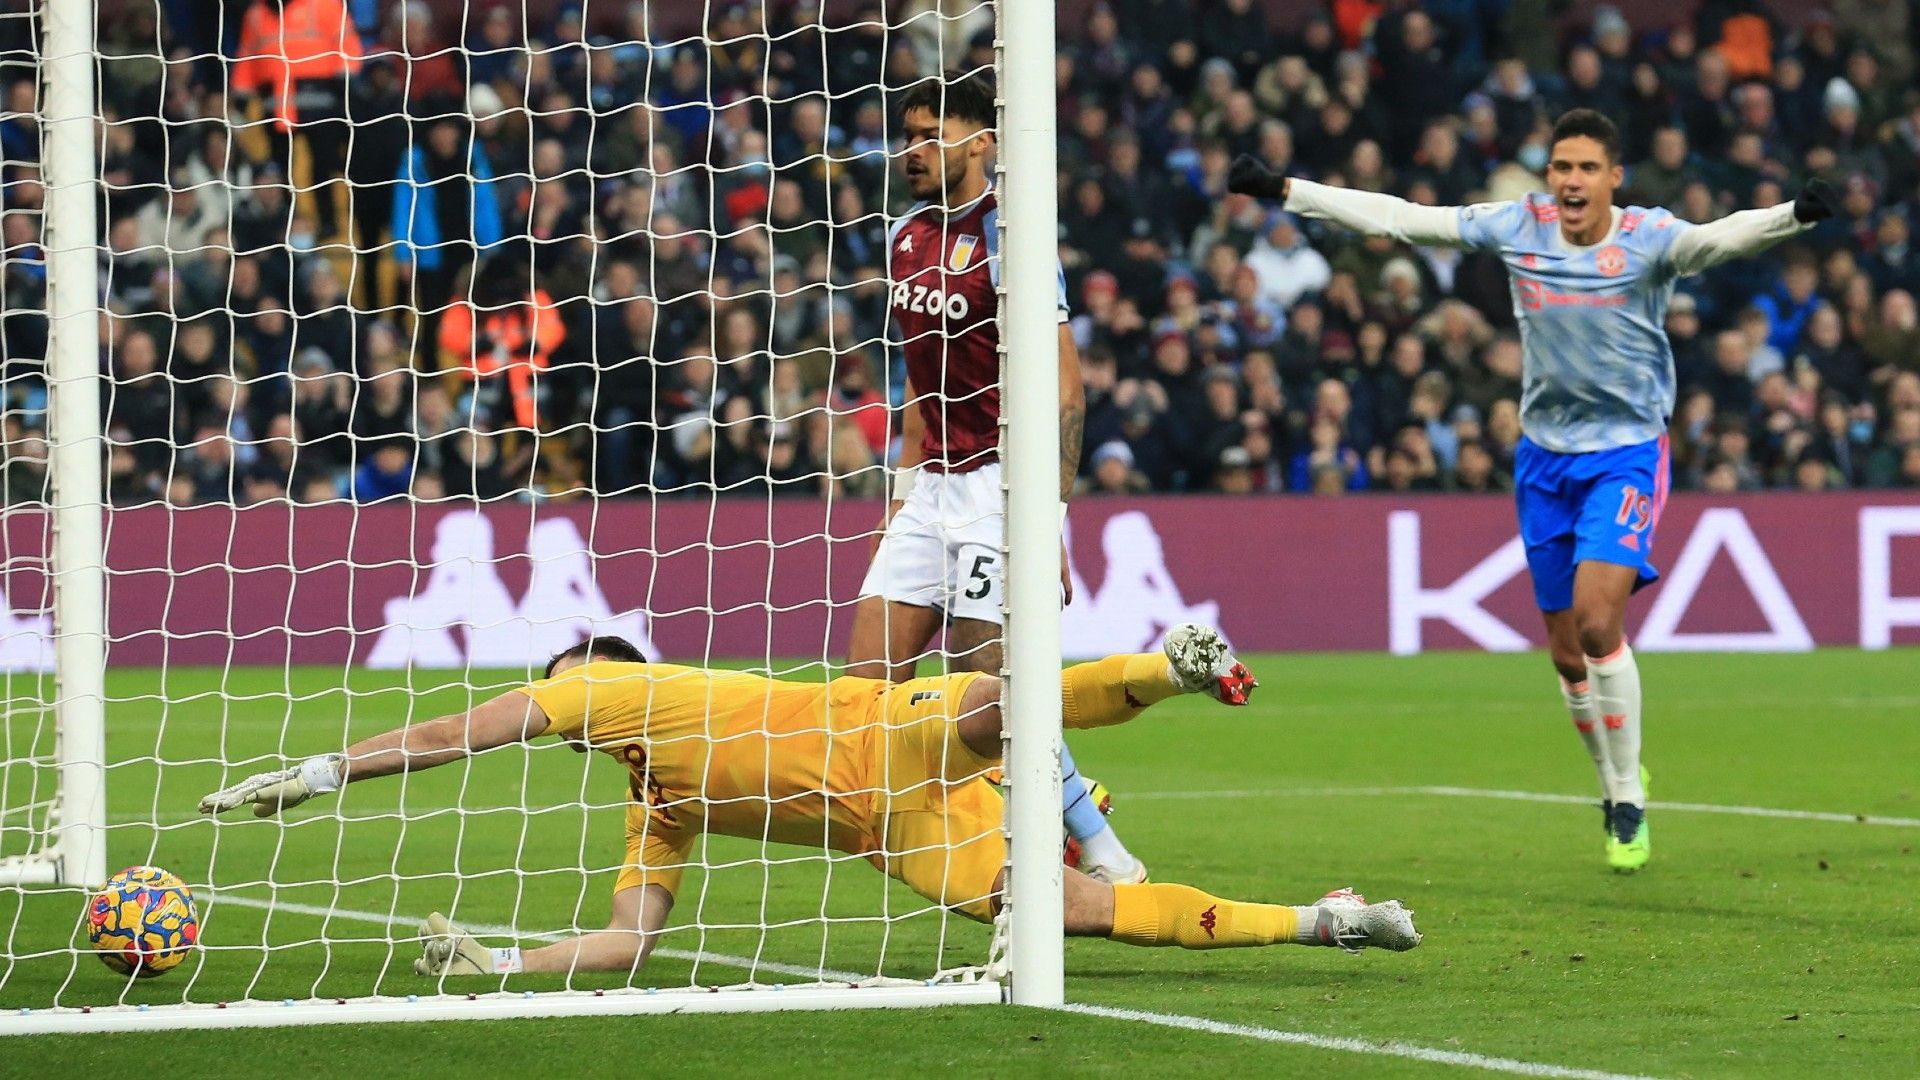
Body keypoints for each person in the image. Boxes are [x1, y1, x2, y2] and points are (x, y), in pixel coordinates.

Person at [1228, 109, 1836, 873]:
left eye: (1585, 168)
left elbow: (1718, 238)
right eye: (1560, 167)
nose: (1570, 181)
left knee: (1595, 619)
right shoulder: (1518, 226)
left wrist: (1794, 215)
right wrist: (1287, 190)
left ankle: (1627, 799)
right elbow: (1404, 220)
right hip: (1544, 460)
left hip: (1625, 454)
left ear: (1615, 177)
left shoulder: (1646, 239)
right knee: (1564, 656)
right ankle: (1615, 776)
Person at [198, 626, 1419, 976]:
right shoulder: (653, 798)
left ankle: (1164, 665)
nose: (552, 695)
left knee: (1000, 698)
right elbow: (631, 941)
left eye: (566, 676)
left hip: (878, 729)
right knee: (1078, 913)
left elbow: (457, 731)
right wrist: (504, 962)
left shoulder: (624, 696)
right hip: (902, 834)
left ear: (599, 674)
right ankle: (1324, 920)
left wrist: (325, 771)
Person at [844, 70, 1167, 886]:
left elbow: (1064, 387)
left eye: (930, 134)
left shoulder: (1012, 238)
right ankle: (1003, 826)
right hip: (930, 491)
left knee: (991, 691)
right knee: (860, 699)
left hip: (998, 490)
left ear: (981, 141)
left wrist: (1044, 520)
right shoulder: (907, 237)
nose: (911, 150)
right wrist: (898, 498)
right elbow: (921, 387)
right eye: (907, 135)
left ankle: (1100, 849)